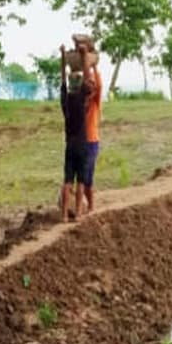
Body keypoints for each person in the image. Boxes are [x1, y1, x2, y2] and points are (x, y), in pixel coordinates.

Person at [58, 44, 90, 222]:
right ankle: (77, 214)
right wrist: (84, 55)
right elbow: (87, 76)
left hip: (69, 145)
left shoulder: (65, 100)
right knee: (81, 182)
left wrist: (63, 56)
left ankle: (63, 215)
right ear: (79, 85)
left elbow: (63, 77)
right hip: (82, 145)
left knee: (67, 181)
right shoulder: (81, 98)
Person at [79, 43, 102, 213]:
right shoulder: (81, 101)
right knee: (82, 178)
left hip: (92, 142)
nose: (92, 87)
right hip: (81, 142)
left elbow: (97, 85)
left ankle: (91, 206)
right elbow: (86, 83)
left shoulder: (95, 102)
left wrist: (93, 66)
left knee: (87, 178)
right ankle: (85, 206)